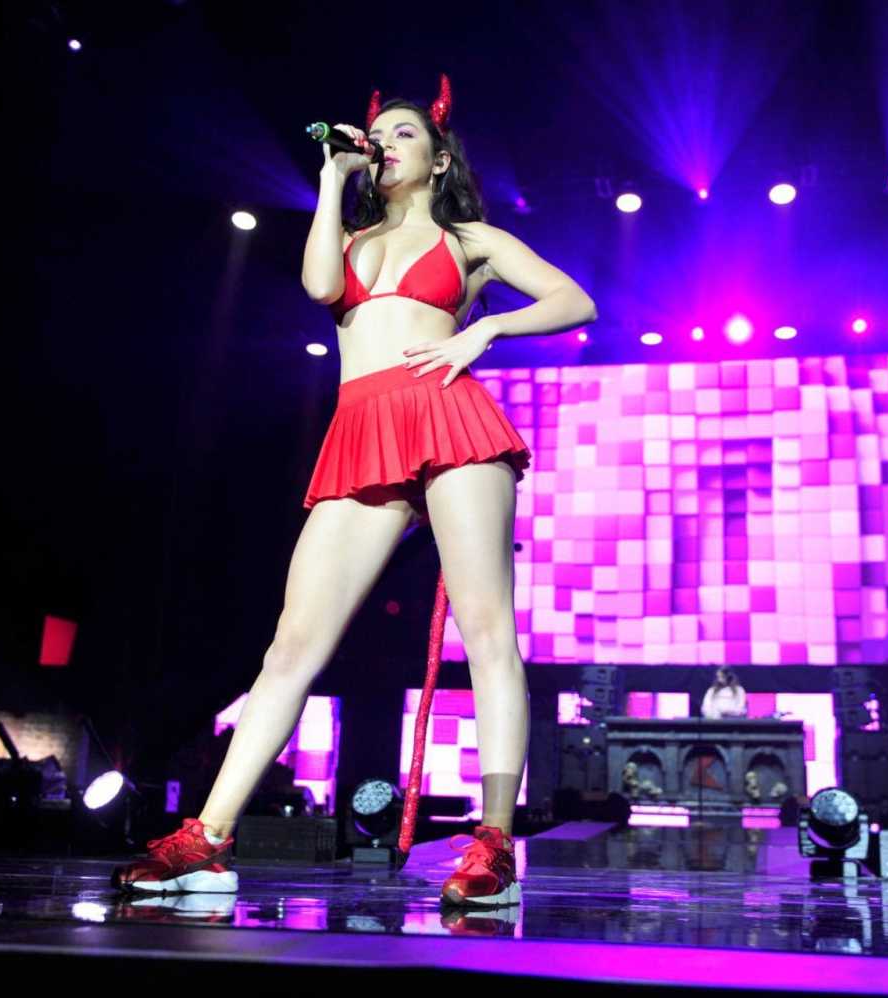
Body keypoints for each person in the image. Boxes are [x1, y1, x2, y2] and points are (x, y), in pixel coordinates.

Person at [114, 76, 596, 907]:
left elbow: (574, 299)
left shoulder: (471, 238)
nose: (388, 145)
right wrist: (333, 176)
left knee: (486, 630)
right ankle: (207, 840)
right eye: (382, 136)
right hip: (364, 427)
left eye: (406, 134)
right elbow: (318, 288)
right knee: (291, 645)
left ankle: (493, 843)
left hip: (448, 414)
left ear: (439, 160)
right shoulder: (348, 234)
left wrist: (486, 328)